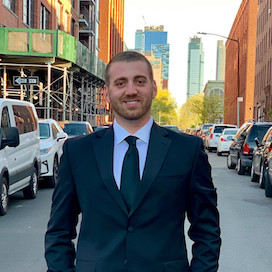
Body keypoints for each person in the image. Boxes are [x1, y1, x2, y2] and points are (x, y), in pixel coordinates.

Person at [45, 51, 221, 272]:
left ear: (154, 88)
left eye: (140, 81)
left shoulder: (188, 150)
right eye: (120, 83)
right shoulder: (77, 152)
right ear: (107, 93)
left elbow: (207, 230)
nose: (131, 90)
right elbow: (59, 231)